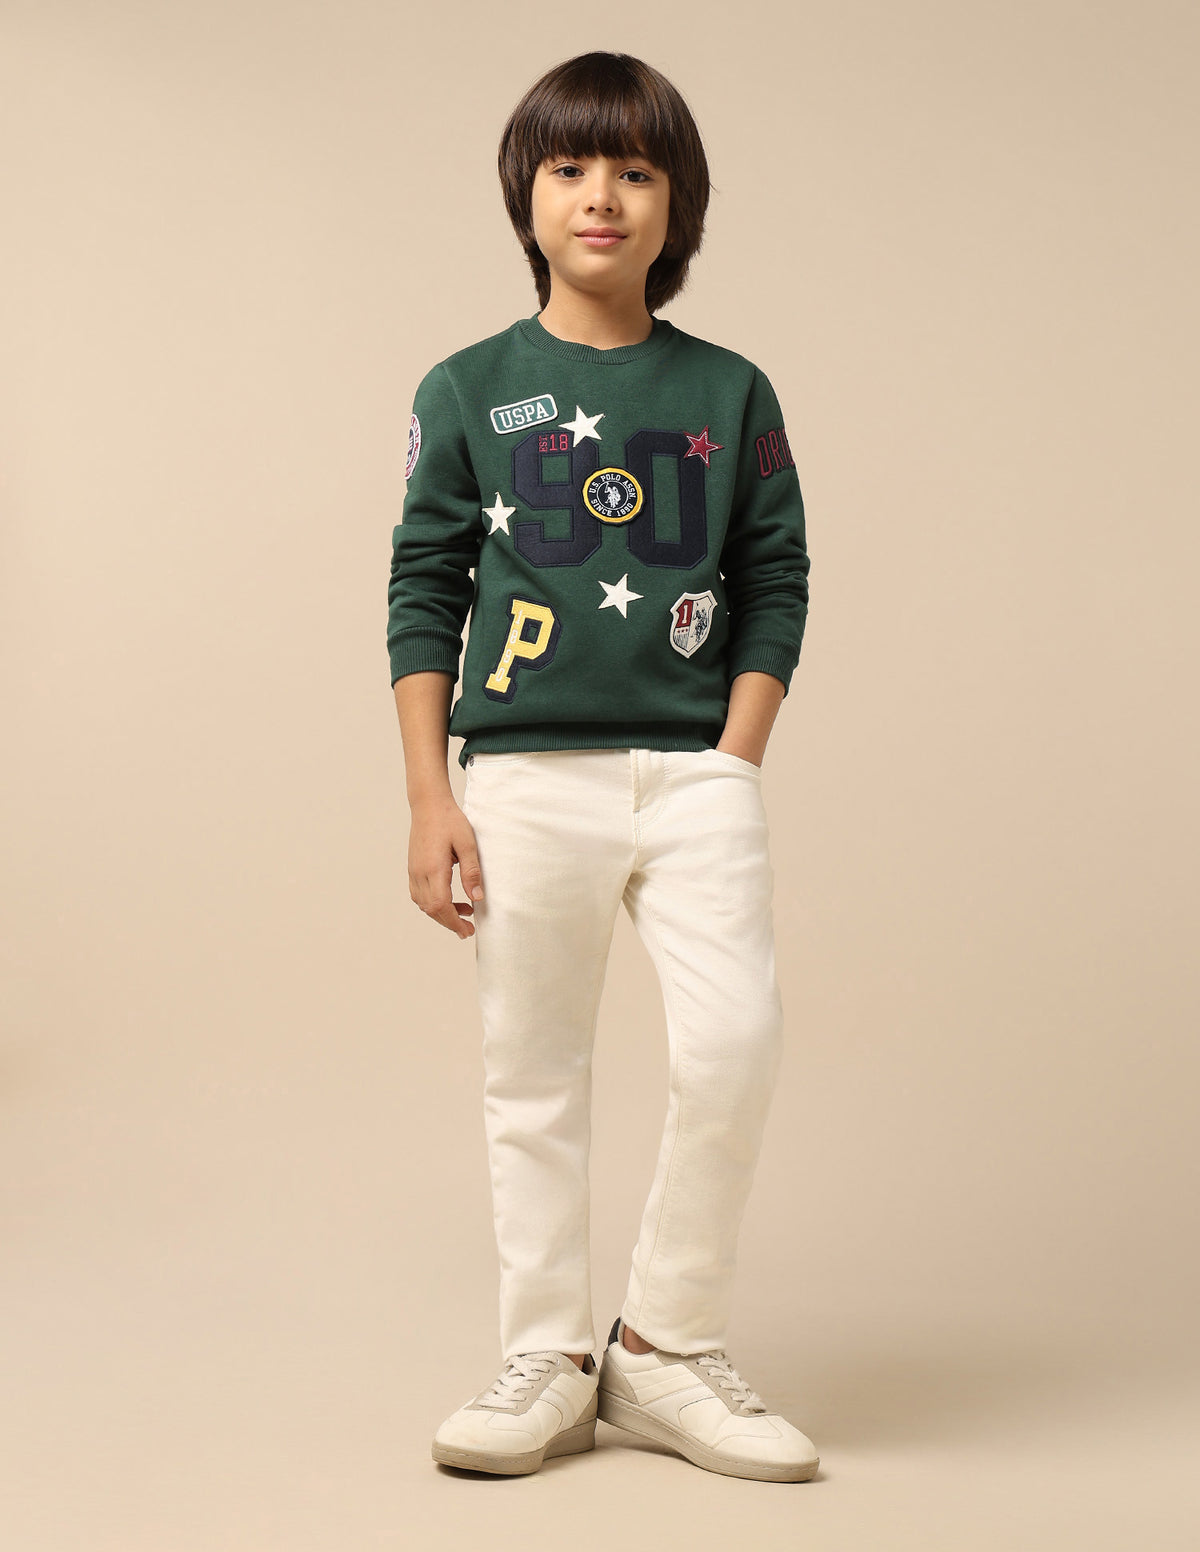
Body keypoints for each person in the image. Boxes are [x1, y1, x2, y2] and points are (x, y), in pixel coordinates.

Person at [387, 50, 819, 1484]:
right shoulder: (469, 388)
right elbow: (423, 587)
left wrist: (731, 760)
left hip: (694, 774)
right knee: (533, 1074)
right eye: (571, 167)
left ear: (676, 201)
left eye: (636, 170)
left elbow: (775, 576)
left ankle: (666, 1349)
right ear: (527, 194)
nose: (602, 196)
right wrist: (432, 796)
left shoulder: (730, 390)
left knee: (735, 1042)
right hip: (521, 778)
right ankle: (550, 1357)